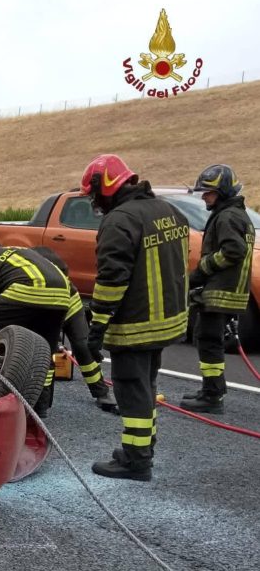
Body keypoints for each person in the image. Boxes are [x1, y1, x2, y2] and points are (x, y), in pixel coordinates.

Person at [81, 154, 188, 481]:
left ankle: (136, 460)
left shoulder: (119, 221)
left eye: (94, 193)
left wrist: (97, 325)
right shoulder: (169, 211)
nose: (94, 201)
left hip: (136, 325)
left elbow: (112, 280)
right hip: (166, 321)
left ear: (107, 186)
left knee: (131, 389)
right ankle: (145, 446)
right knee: (147, 384)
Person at [0, 238, 71, 417]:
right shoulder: (10, 252)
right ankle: (40, 406)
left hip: (30, 289)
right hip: (63, 295)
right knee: (46, 350)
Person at [181, 164, 255, 413]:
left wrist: (203, 268)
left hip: (221, 291)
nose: (204, 197)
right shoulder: (237, 214)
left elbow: (233, 251)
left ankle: (212, 396)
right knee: (207, 338)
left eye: (209, 192)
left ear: (223, 191)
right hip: (229, 291)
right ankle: (211, 390)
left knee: (208, 340)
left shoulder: (227, 217)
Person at [32, 246, 118, 413]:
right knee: (44, 351)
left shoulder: (50, 265)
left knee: (83, 346)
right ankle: (41, 404)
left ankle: (101, 393)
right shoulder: (21, 275)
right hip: (43, 303)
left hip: (68, 299)